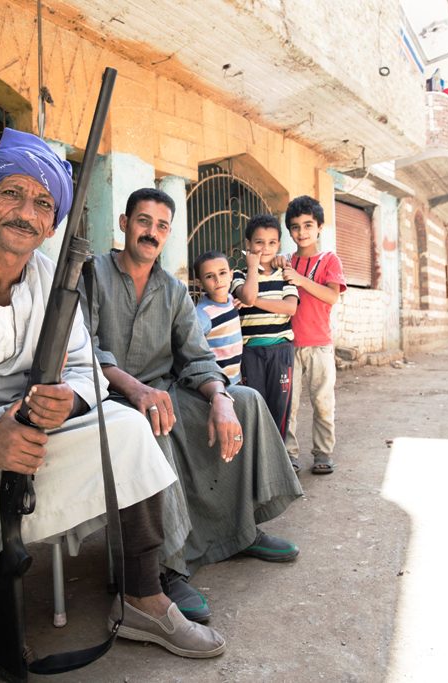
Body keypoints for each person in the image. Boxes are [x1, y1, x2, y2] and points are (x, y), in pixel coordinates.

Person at [0, 130, 226, 682]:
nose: (26, 213)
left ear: (53, 225)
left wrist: (65, 402)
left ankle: (144, 598)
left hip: (25, 429)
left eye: (43, 203)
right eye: (12, 194)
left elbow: (85, 368)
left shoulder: (54, 279)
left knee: (124, 427)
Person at [81, 187, 304, 625]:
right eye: (143, 221)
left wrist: (220, 398)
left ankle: (240, 530)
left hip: (166, 389)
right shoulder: (94, 273)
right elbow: (83, 347)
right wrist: (137, 391)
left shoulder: (172, 289)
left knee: (247, 401)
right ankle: (165, 567)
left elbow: (198, 356)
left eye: (161, 226)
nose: (152, 232)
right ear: (125, 224)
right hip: (108, 397)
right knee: (150, 425)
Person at [274, 195, 347, 475]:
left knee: (322, 401)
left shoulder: (330, 260)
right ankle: (289, 453)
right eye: (295, 227)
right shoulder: (285, 261)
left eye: (308, 225)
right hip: (287, 344)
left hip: (319, 345)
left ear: (320, 227)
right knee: (287, 404)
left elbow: (331, 296)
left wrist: (301, 279)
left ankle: (323, 452)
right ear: (289, 231)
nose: (301, 232)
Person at [230, 214, 299, 462]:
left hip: (280, 351)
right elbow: (246, 295)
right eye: (259, 242)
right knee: (253, 407)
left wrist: (256, 302)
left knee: (280, 408)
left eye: (272, 243)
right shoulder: (239, 274)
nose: (265, 248)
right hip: (250, 354)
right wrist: (251, 267)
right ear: (248, 244)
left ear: (279, 245)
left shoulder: (285, 274)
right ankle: (256, 461)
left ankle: (278, 460)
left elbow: (290, 308)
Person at [193, 250, 244, 385]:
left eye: (222, 273)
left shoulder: (230, 299)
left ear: (231, 275)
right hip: (218, 383)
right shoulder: (202, 314)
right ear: (199, 283)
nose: (218, 280)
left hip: (235, 378)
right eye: (209, 276)